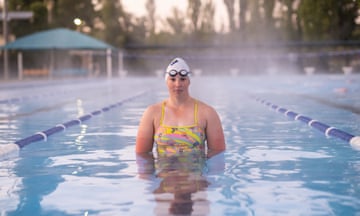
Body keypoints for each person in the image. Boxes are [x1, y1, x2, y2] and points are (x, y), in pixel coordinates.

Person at [136, 57, 226, 156]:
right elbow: (142, 156)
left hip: (195, 171)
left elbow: (218, 155)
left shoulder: (207, 113)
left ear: (189, 81)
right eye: (173, 79)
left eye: (183, 79)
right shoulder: (152, 113)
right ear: (166, 81)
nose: (178, 84)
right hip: (163, 171)